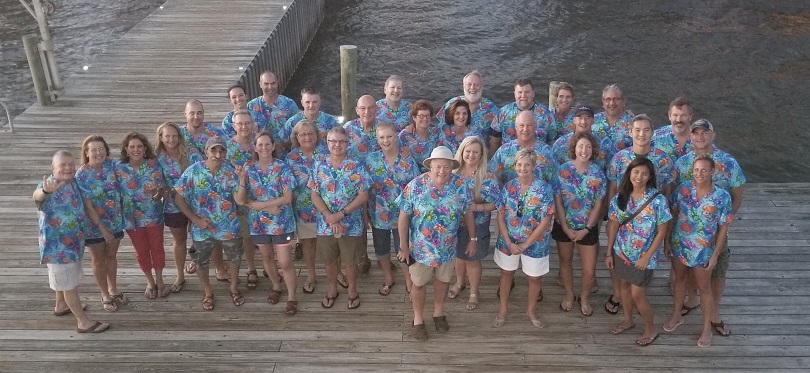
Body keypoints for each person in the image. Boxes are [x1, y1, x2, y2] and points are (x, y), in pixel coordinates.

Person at [672, 119, 745, 338]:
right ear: (690, 136)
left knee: (717, 271)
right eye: (696, 133)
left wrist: (721, 223)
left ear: (713, 135)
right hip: (686, 233)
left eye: (705, 133)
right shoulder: (683, 162)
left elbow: (737, 195)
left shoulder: (728, 162)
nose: (700, 137)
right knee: (687, 271)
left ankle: (713, 314)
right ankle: (691, 299)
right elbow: (676, 197)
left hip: (714, 228)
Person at [397, 146, 476, 340]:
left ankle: (438, 313)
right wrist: (403, 246)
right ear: (430, 166)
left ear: (452, 167)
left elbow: (468, 213)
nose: (442, 171)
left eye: (447, 167)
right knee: (418, 284)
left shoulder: (461, 185)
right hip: (421, 249)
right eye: (438, 166)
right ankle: (417, 319)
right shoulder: (415, 185)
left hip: (448, 248)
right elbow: (403, 217)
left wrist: (473, 239)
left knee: (443, 281)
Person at [604, 114, 676, 314]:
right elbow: (612, 188)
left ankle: (639, 291)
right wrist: (609, 217)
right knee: (617, 254)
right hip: (623, 213)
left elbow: (668, 190)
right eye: (637, 130)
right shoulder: (620, 158)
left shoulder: (663, 159)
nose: (641, 134)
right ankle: (618, 292)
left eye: (646, 130)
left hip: (651, 217)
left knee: (644, 261)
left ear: (652, 133)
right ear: (630, 132)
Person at [35, 150, 110, 333]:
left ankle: (61, 305)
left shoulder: (74, 183)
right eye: (62, 165)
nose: (68, 168)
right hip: (58, 248)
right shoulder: (49, 185)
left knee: (66, 279)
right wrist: (44, 191)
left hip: (74, 244)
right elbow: (37, 197)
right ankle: (83, 323)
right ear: (53, 168)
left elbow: (86, 204)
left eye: (71, 164)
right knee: (69, 284)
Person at [663, 155, 733, 348]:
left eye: (704, 170)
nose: (699, 174)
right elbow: (672, 215)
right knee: (680, 280)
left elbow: (723, 228)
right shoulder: (683, 189)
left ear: (712, 172)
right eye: (696, 170)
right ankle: (677, 315)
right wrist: (667, 241)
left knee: (704, 288)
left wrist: (716, 254)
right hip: (680, 243)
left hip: (704, 250)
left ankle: (706, 328)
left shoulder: (721, 197)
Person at [605, 157, 672, 346]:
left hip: (644, 257)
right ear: (629, 173)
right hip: (621, 251)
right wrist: (609, 252)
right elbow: (614, 225)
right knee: (624, 286)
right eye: (635, 172)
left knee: (638, 296)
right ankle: (628, 320)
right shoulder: (620, 197)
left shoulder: (658, 200)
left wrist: (647, 256)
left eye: (644, 173)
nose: (639, 177)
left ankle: (651, 329)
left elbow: (661, 232)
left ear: (650, 176)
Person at [174, 136, 245, 310]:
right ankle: (207, 292)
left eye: (221, 150)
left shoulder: (231, 173)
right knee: (201, 262)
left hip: (229, 226)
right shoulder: (193, 171)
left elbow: (240, 200)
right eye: (213, 150)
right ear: (206, 151)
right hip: (202, 227)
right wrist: (194, 219)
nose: (217, 154)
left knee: (235, 259)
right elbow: (178, 196)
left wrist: (242, 179)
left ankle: (234, 288)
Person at [235, 132, 299, 314]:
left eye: (267, 144)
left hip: (281, 222)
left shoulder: (282, 167)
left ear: (273, 146)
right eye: (260, 145)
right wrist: (241, 180)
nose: (263, 148)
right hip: (258, 223)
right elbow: (241, 200)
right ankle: (276, 285)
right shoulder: (248, 169)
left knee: (285, 262)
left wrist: (264, 205)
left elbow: (287, 197)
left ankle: (292, 296)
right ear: (254, 148)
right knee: (267, 258)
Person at [308, 127, 370, 310]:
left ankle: (352, 290)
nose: (337, 145)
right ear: (327, 143)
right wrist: (329, 216)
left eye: (341, 141)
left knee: (351, 261)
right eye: (333, 141)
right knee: (329, 259)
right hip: (326, 223)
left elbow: (363, 195)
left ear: (347, 143)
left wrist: (340, 214)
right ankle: (332, 288)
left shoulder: (356, 165)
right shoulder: (319, 165)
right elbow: (314, 194)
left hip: (351, 223)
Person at [492, 149, 554, 328]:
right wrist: (510, 242)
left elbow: (545, 220)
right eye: (519, 164)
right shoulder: (509, 187)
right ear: (515, 166)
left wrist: (526, 243)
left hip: (536, 242)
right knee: (506, 274)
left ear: (534, 166)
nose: (523, 168)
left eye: (527, 164)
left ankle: (531, 310)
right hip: (508, 240)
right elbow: (500, 215)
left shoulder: (543, 189)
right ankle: (503, 310)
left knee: (534, 278)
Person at [551, 132, 606, 316]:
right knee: (565, 262)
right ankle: (569, 295)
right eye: (581, 146)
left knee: (589, 270)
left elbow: (598, 203)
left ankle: (584, 298)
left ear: (593, 150)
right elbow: (558, 200)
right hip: (563, 225)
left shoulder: (597, 173)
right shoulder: (562, 170)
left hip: (587, 227)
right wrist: (565, 226)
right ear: (574, 148)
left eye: (588, 147)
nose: (584, 150)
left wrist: (587, 228)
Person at [365, 122, 421, 297]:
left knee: (402, 248)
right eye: (381, 137)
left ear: (396, 137)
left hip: (402, 216)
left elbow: (416, 189)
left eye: (389, 136)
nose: (386, 140)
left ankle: (407, 279)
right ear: (377, 139)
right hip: (377, 213)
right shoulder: (371, 160)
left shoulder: (408, 160)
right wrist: (365, 213)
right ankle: (388, 277)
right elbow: (364, 188)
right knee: (381, 249)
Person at [75, 135, 127, 311]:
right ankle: (104, 294)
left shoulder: (112, 166)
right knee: (98, 260)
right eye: (93, 150)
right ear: (86, 152)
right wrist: (103, 229)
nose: (98, 153)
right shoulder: (82, 174)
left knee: (111, 256)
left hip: (115, 220)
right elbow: (88, 206)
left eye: (101, 149)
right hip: (94, 226)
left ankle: (113, 289)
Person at [115, 132, 170, 299]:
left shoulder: (154, 165)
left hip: (153, 215)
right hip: (132, 219)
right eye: (132, 146)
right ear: (126, 149)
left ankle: (160, 281)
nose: (136, 150)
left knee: (157, 248)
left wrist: (155, 192)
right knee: (141, 251)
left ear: (145, 148)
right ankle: (150, 281)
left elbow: (162, 194)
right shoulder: (118, 168)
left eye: (139, 146)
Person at [448, 136, 499, 311]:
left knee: (472, 260)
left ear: (481, 154)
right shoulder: (453, 173)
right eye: (468, 151)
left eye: (475, 152)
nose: (471, 155)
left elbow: (496, 203)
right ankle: (459, 282)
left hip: (478, 225)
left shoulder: (487, 176)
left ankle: (474, 292)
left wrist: (478, 206)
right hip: (455, 224)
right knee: (459, 256)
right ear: (461, 152)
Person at [155, 122, 203, 293]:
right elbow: (156, 182)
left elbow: (202, 174)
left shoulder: (191, 153)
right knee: (179, 240)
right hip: (173, 204)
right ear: (161, 137)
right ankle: (179, 274)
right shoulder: (157, 158)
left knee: (200, 238)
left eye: (174, 135)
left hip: (196, 203)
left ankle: (197, 262)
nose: (171, 139)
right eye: (167, 136)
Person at [286, 120, 327, 294]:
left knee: (330, 243)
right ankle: (311, 275)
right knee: (308, 243)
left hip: (327, 207)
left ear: (317, 135)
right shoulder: (290, 158)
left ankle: (335, 272)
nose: (307, 137)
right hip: (303, 210)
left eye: (311, 133)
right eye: (302, 134)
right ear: (296, 137)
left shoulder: (327, 152)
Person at [226, 110, 261, 287]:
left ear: (253, 124)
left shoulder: (260, 142)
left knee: (259, 235)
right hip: (238, 198)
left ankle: (264, 266)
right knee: (244, 236)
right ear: (234, 126)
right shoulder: (227, 148)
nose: (244, 127)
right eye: (240, 124)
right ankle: (248, 268)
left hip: (262, 198)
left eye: (247, 123)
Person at [488, 78, 553, 156]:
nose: (523, 96)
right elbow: (494, 141)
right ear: (515, 94)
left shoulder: (545, 114)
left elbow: (552, 141)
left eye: (527, 92)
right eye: (520, 92)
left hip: (538, 159)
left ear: (533, 93)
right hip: (509, 158)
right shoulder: (503, 112)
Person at [489, 110, 555, 186]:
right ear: (516, 127)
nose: (525, 129)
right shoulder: (504, 151)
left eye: (529, 125)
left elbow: (555, 182)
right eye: (521, 125)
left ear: (535, 127)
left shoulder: (546, 152)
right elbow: (491, 176)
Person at [436, 70, 499, 140]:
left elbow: (496, 136)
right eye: (469, 84)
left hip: (478, 149)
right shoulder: (451, 104)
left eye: (476, 84)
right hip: (451, 147)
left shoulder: (491, 108)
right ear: (463, 86)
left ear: (482, 86)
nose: (472, 88)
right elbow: (440, 127)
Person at [248, 70, 300, 146]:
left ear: (277, 83)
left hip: (284, 151)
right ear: (260, 85)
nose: (270, 87)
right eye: (266, 84)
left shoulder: (289, 103)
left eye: (273, 83)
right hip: (259, 151)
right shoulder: (251, 106)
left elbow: (299, 128)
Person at [551, 106, 610, 170]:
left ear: (593, 120)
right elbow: (553, 169)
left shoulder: (604, 142)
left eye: (587, 118)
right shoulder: (560, 143)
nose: (583, 122)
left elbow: (610, 170)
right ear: (574, 120)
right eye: (580, 118)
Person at [592, 84, 634, 162]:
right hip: (594, 170)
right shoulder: (592, 120)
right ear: (603, 102)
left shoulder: (633, 124)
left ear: (623, 101)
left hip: (621, 170)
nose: (612, 103)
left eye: (616, 99)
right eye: (608, 99)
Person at [399, 100, 441, 172]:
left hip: (432, 174)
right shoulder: (405, 135)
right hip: (411, 174)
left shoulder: (436, 133)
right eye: (421, 116)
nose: (425, 119)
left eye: (427, 116)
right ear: (414, 117)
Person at [652, 97, 693, 162]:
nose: (678, 120)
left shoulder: (701, 139)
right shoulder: (656, 136)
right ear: (669, 116)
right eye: (675, 115)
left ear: (690, 116)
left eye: (683, 115)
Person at [344, 95, 382, 159]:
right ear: (357, 110)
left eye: (370, 108)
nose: (367, 112)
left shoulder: (384, 128)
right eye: (363, 108)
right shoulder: (348, 128)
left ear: (376, 109)